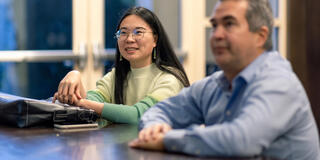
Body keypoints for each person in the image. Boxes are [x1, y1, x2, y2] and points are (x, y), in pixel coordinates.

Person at [129, 0, 320, 159]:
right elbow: (159, 111)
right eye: (214, 26)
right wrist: (153, 129)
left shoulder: (279, 82)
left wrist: (166, 139)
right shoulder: (215, 84)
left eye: (229, 24)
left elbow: (241, 140)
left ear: (260, 36)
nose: (216, 35)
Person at [52, 7, 190, 124]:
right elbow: (90, 100)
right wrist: (74, 77)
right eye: (123, 32)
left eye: (138, 32)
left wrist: (82, 103)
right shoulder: (116, 75)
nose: (129, 39)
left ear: (155, 39)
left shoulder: (170, 79)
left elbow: (139, 115)